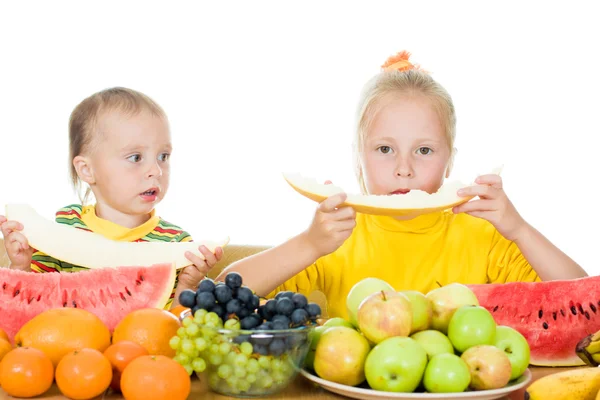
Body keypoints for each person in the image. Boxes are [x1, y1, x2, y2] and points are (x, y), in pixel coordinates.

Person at [217, 50, 587, 320]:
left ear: (450, 162)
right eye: (384, 149)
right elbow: (223, 294)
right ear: (357, 160)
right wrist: (309, 243)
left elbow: (582, 299)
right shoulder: (337, 236)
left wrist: (519, 229)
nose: (404, 169)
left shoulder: (482, 234)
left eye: (423, 150)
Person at [0, 87, 223, 310]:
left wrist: (188, 285)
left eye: (163, 156)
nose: (156, 170)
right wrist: (21, 266)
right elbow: (33, 301)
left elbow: (171, 327)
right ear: (87, 170)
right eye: (136, 157)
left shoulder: (177, 243)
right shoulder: (67, 225)